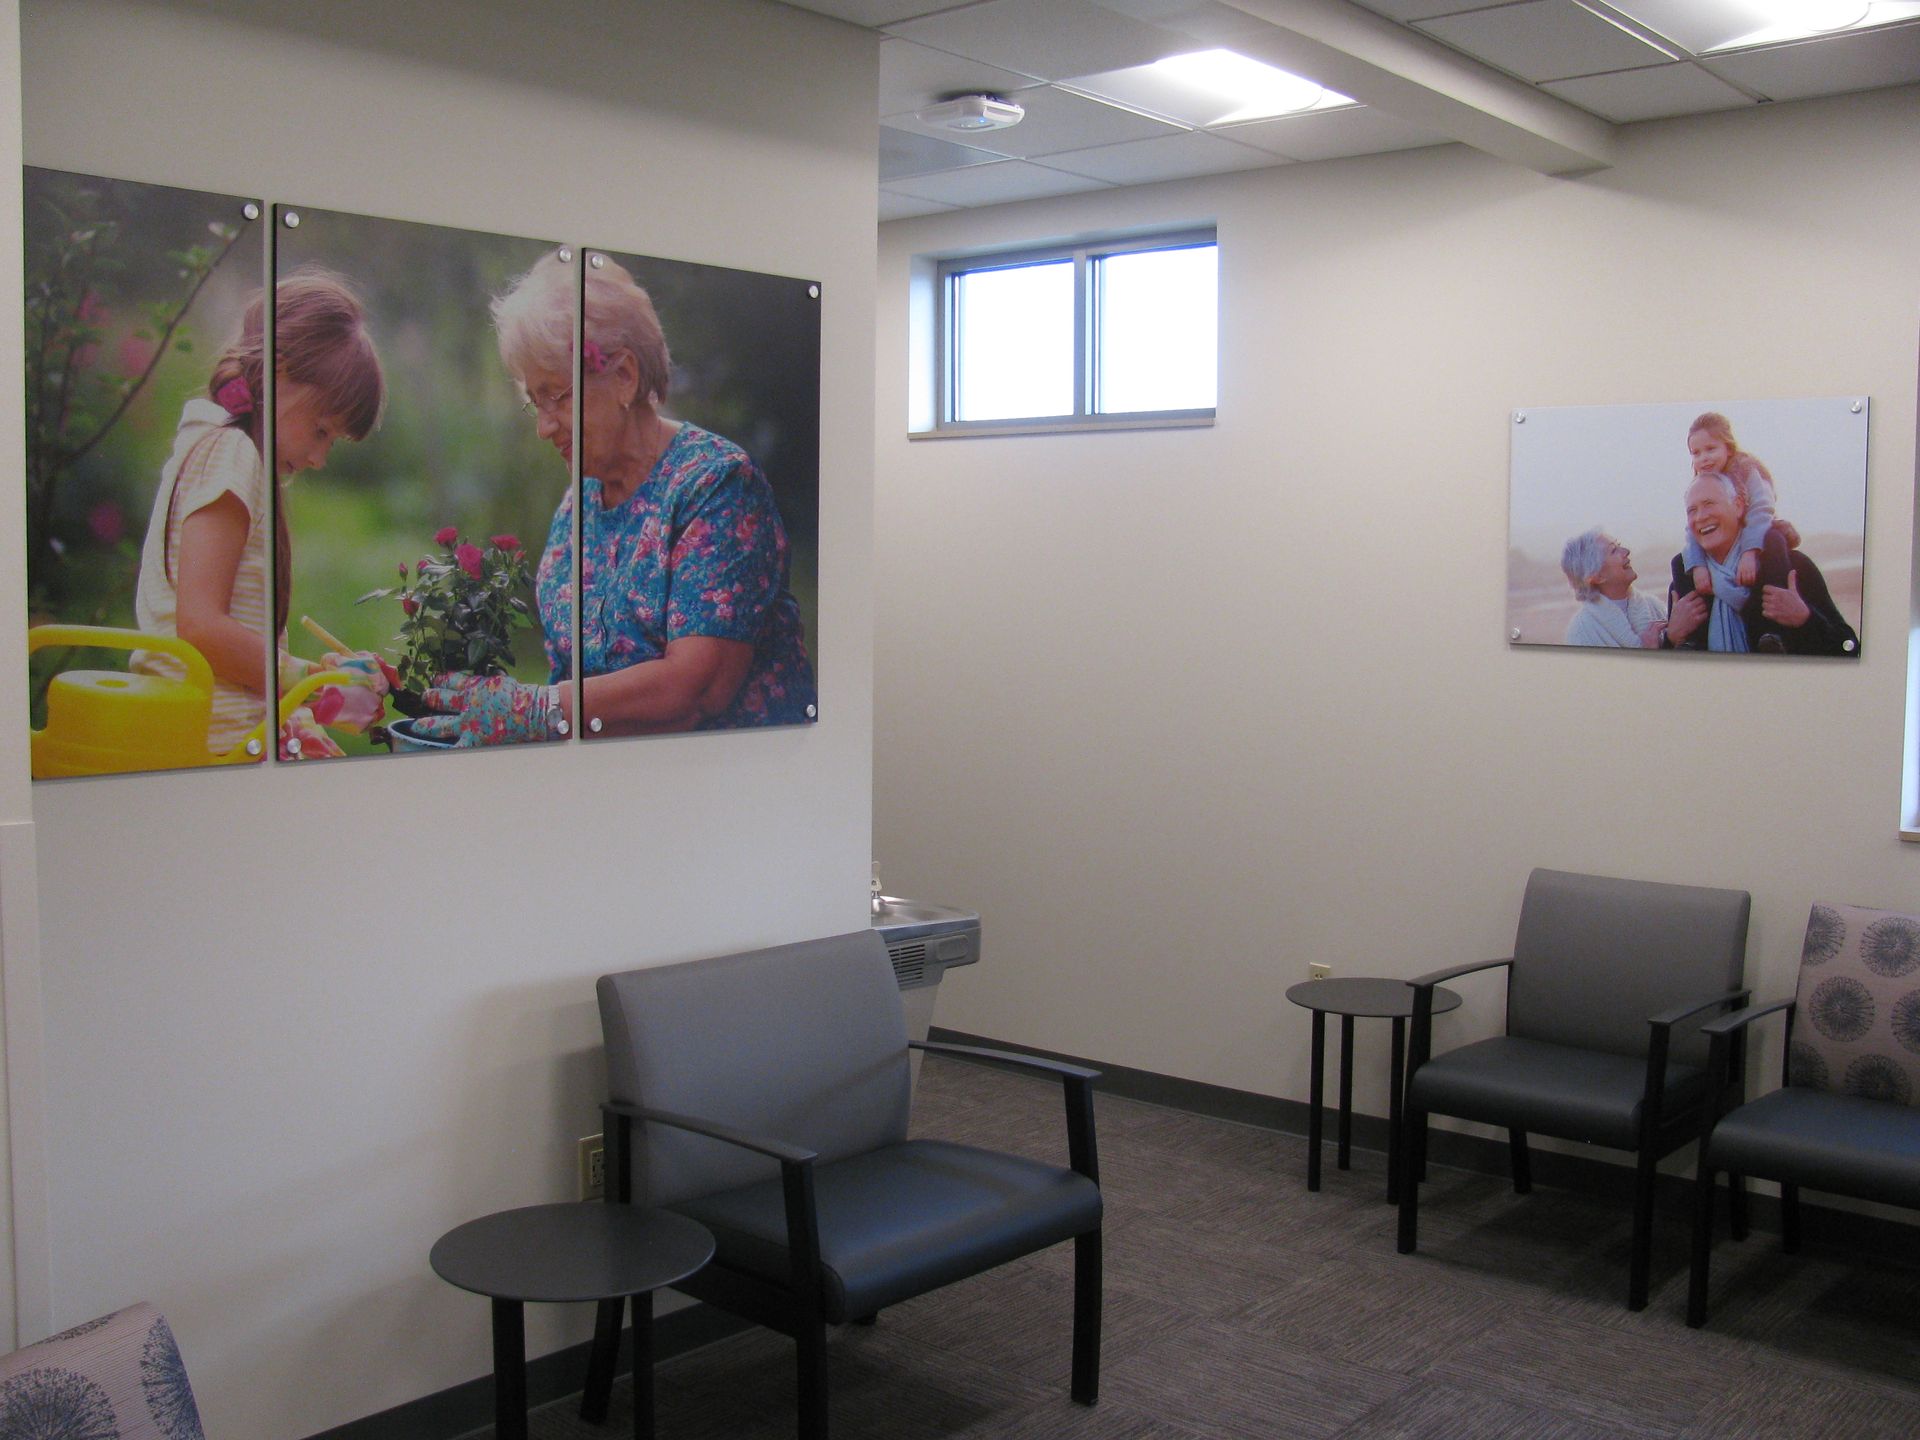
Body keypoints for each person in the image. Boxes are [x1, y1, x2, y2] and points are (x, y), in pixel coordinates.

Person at [416, 250, 816, 744]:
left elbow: (697, 689)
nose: (543, 427)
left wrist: (538, 708)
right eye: (533, 404)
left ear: (624, 376)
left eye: (557, 397)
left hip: (733, 787)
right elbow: (572, 682)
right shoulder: (577, 504)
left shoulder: (715, 485)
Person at [132, 268, 386, 756]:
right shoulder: (231, 452)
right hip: (211, 743)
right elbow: (201, 627)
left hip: (224, 729)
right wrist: (312, 680)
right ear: (279, 370)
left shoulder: (221, 449)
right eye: (320, 431)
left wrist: (305, 705)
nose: (319, 459)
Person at [1665, 471, 1856, 656]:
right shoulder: (1686, 584)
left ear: (1738, 506)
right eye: (1692, 510)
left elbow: (1849, 648)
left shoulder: (1791, 568)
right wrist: (1671, 637)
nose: (1700, 517)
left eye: (1709, 503)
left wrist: (1805, 619)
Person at [1681, 411, 1796, 599]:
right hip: (1722, 539)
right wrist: (1698, 565)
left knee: (1775, 540)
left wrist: (1749, 552)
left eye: (1711, 449)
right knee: (1681, 561)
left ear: (1728, 448)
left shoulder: (1746, 470)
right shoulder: (1700, 483)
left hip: (1755, 530)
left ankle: (1777, 598)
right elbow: (1692, 527)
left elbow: (1761, 510)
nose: (1704, 458)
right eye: (1696, 453)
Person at [1558, 529, 1667, 647]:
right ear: (1597, 576)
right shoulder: (1581, 632)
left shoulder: (1653, 606)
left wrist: (1672, 638)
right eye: (1614, 550)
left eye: (1619, 546)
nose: (1626, 551)